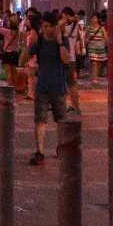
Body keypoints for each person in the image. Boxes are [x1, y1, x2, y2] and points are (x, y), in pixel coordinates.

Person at [24, 11, 71, 166]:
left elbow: (66, 60)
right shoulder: (40, 43)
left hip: (58, 87)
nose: (44, 29)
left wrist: (59, 42)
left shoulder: (62, 41)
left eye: (47, 26)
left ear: (54, 27)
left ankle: (62, 149)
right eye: (42, 26)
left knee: (61, 120)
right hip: (42, 87)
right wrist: (32, 43)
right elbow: (25, 57)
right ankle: (40, 152)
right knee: (40, 120)